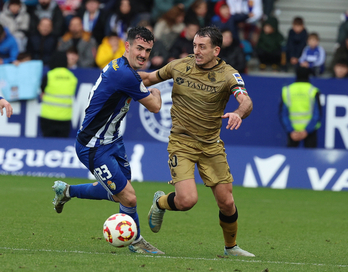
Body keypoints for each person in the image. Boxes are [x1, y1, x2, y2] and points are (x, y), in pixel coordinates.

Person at [139, 26, 254, 257]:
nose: (197, 50)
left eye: (202, 47)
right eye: (194, 45)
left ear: (216, 50)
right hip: (181, 143)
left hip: (211, 145)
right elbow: (149, 78)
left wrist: (238, 113)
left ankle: (231, 248)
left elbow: (246, 101)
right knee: (187, 200)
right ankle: (160, 202)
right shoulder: (179, 66)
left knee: (227, 202)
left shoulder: (229, 74)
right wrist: (117, 76)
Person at [51, 26, 164, 255]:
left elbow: (143, 78)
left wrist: (159, 76)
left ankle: (67, 192)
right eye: (139, 48)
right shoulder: (124, 74)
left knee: (119, 193)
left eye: (148, 51)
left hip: (112, 140)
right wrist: (160, 89)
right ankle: (136, 242)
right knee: (129, 198)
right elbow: (155, 106)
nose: (143, 54)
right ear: (128, 46)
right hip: (93, 146)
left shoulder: (120, 67)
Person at [280, 66, 322, 148]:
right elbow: (318, 114)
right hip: (310, 132)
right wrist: (307, 130)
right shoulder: (313, 91)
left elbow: (283, 113)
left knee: (290, 158)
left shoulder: (287, 90)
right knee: (311, 159)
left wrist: (291, 131)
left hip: (293, 132)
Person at [40, 51, 78, 137]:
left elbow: (42, 94)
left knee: (47, 145)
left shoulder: (49, 75)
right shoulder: (72, 77)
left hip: (48, 116)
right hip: (65, 117)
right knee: (61, 144)